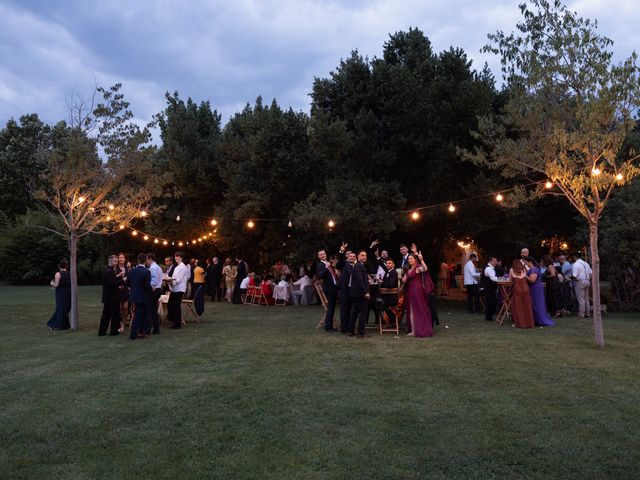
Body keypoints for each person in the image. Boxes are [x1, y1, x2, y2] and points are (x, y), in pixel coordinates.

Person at [403, 252, 434, 338]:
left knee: (419, 308)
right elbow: (403, 280)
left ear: (415, 259)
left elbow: (425, 269)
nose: (410, 260)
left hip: (417, 290)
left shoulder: (417, 268)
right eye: (408, 259)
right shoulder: (409, 270)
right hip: (411, 290)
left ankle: (421, 328)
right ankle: (413, 330)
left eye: (411, 258)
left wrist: (421, 259)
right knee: (412, 310)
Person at [524, 257, 556, 327]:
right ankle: (536, 319)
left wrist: (524, 276)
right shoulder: (535, 268)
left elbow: (532, 280)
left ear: (530, 262)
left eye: (526, 262)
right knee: (536, 304)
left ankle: (540, 320)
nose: (525, 264)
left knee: (537, 304)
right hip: (536, 288)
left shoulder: (533, 269)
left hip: (535, 289)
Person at [126, 253, 152, 340]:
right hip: (143, 296)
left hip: (134, 296)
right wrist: (152, 288)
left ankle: (141, 332)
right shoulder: (146, 272)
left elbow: (128, 283)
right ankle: (133, 334)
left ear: (138, 260)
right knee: (139, 315)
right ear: (145, 261)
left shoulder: (132, 271)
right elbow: (147, 286)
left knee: (140, 314)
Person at [98, 255, 123, 336]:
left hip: (108, 297)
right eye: (115, 261)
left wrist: (118, 277)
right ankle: (114, 331)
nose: (116, 263)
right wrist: (122, 281)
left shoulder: (108, 270)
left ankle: (102, 331)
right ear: (111, 261)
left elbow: (111, 281)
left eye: (117, 261)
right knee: (114, 314)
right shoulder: (109, 271)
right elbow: (111, 284)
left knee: (106, 315)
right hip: (112, 297)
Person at [349, 250, 370, 338]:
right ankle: (361, 333)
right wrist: (366, 292)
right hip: (360, 294)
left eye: (365, 255)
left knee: (355, 312)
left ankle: (351, 331)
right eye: (362, 255)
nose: (364, 257)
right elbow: (359, 280)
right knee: (362, 313)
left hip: (357, 293)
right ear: (358, 256)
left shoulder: (360, 265)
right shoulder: (358, 266)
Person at [316, 248, 338, 332]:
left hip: (334, 287)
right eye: (321, 254)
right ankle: (328, 327)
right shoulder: (321, 265)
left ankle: (330, 326)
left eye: (324, 254)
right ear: (319, 256)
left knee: (332, 307)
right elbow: (320, 275)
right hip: (329, 289)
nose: (323, 255)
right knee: (331, 308)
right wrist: (326, 266)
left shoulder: (328, 263)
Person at [509, 260, 535, 328]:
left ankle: (521, 323)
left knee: (518, 307)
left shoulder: (512, 270)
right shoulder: (524, 269)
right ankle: (529, 323)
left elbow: (510, 280)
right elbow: (526, 278)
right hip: (526, 289)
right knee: (527, 306)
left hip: (517, 289)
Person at [336, 243, 355, 333]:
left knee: (350, 309)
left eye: (352, 255)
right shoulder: (344, 263)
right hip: (343, 290)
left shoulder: (355, 265)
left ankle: (349, 326)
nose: (351, 257)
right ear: (346, 256)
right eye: (348, 255)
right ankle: (344, 328)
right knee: (344, 309)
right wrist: (341, 251)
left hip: (351, 290)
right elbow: (339, 260)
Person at [47, 259, 71, 330]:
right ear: (66, 266)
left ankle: (57, 325)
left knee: (60, 307)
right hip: (68, 292)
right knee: (65, 308)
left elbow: (56, 285)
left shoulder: (58, 274)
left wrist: (52, 283)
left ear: (59, 266)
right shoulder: (69, 273)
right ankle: (64, 325)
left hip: (61, 292)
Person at [167, 251, 189, 329]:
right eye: (176, 256)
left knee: (176, 306)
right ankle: (173, 320)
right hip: (174, 289)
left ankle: (177, 324)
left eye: (178, 256)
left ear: (181, 258)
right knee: (170, 305)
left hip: (179, 289)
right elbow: (174, 277)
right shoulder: (177, 267)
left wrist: (172, 282)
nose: (176, 257)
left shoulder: (182, 267)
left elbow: (179, 279)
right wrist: (170, 281)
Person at [146, 252, 163, 335]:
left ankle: (148, 329)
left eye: (147, 259)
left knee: (150, 309)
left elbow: (154, 279)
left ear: (150, 259)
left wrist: (152, 286)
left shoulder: (152, 268)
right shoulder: (158, 267)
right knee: (153, 310)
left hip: (154, 290)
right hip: (158, 290)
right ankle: (156, 329)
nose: (146, 261)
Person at [572, 252, 592, 318]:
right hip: (587, 281)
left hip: (580, 281)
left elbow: (574, 275)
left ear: (575, 257)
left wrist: (571, 279)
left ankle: (581, 314)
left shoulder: (575, 264)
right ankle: (588, 313)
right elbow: (591, 273)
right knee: (586, 298)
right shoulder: (586, 263)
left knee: (581, 298)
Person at [116, 253, 130, 332]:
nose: (121, 259)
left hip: (125, 290)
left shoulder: (127, 268)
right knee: (119, 308)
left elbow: (130, 277)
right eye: (120, 257)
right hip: (118, 290)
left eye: (122, 257)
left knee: (125, 307)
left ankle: (123, 324)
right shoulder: (116, 268)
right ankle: (119, 323)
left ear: (124, 259)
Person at [482, 257, 499, 322]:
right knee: (491, 302)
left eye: (496, 261)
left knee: (492, 302)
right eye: (494, 261)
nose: (495, 262)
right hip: (489, 288)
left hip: (491, 288)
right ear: (490, 261)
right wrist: (501, 279)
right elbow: (493, 278)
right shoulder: (488, 268)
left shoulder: (491, 268)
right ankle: (488, 317)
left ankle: (489, 317)